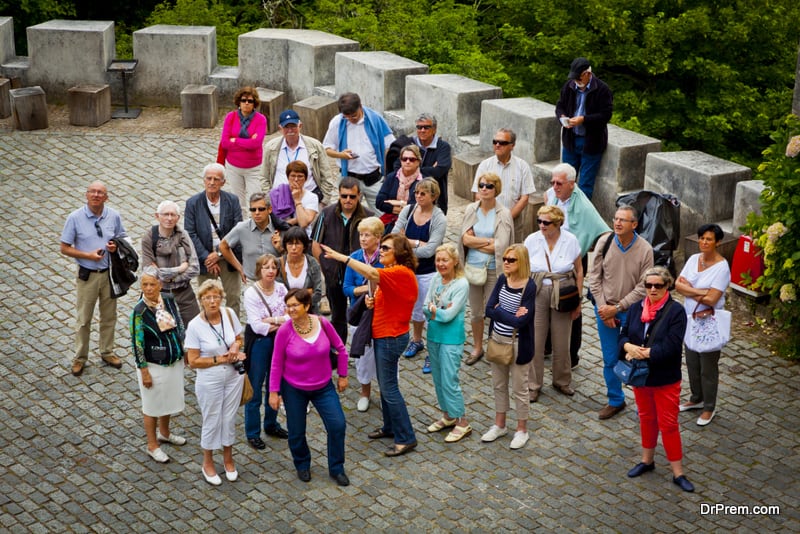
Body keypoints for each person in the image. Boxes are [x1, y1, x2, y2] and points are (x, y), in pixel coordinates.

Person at [321, 234, 419, 457]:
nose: (381, 251)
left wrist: (341, 257)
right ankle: (390, 427)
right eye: (381, 247)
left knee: (389, 388)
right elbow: (385, 296)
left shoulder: (401, 273)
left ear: (400, 253)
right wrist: (370, 301)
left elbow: (371, 272)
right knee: (386, 386)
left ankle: (406, 437)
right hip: (384, 335)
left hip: (390, 338)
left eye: (386, 248)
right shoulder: (393, 273)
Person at [620, 266, 694, 492]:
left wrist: (646, 353)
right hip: (641, 378)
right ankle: (647, 460)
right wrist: (628, 346)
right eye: (648, 285)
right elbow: (623, 334)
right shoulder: (635, 309)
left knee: (669, 424)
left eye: (658, 286)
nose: (652, 289)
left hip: (665, 378)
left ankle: (678, 472)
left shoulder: (676, 312)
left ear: (667, 286)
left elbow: (672, 345)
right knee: (646, 418)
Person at [268, 289, 350, 486]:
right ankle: (302, 463)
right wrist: (273, 392)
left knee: (337, 425)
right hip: (294, 389)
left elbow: (340, 348)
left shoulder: (322, 323)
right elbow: (276, 362)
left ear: (306, 306)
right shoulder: (284, 331)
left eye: (295, 305)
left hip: (323, 387)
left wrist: (343, 375)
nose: (291, 309)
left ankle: (337, 468)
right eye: (288, 306)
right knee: (296, 431)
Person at [589, 205, 653, 420]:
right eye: (615, 218)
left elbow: (644, 287)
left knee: (636, 359)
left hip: (633, 313)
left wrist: (617, 308)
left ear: (634, 225)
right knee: (609, 359)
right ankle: (616, 400)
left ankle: (643, 405)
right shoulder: (604, 242)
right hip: (605, 310)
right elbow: (594, 278)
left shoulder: (645, 250)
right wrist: (602, 309)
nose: (617, 223)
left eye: (623, 220)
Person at [543, 163, 610, 368]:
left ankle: (572, 355)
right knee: (546, 301)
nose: (555, 186)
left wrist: (589, 253)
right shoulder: (552, 193)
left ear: (572, 184)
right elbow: (546, 200)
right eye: (553, 182)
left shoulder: (583, 207)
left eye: (559, 183)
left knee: (571, 304)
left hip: (573, 259)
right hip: (551, 255)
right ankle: (546, 346)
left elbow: (603, 232)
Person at [60, 181, 128, 376]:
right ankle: (80, 357)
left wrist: (115, 246)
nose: (96, 195)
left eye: (100, 193)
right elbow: (64, 248)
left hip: (108, 274)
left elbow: (122, 237)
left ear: (106, 197)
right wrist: (88, 256)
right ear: (86, 195)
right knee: (84, 319)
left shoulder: (113, 216)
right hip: (87, 276)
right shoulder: (75, 218)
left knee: (109, 316)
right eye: (93, 192)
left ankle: (107, 352)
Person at [185, 280, 247, 486]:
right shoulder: (195, 326)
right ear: (201, 300)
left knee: (229, 417)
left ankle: (228, 459)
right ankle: (207, 462)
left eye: (216, 297)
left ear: (221, 298)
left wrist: (236, 347)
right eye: (208, 298)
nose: (212, 301)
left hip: (233, 376)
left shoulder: (228, 314)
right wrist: (220, 359)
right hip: (209, 378)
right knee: (212, 418)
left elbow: (239, 338)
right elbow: (192, 361)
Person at [481, 245, 537, 450]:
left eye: (511, 260)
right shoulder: (502, 280)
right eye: (505, 258)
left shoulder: (529, 286)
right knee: (498, 384)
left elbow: (522, 323)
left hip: (518, 345)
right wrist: (510, 315)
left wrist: (501, 312)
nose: (506, 262)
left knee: (519, 389)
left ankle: (522, 429)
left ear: (521, 262)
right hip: (498, 340)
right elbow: (488, 308)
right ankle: (500, 424)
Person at [524, 205, 583, 401]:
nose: (542, 225)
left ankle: (562, 381)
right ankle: (533, 384)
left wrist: (579, 299)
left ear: (558, 223)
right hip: (538, 289)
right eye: (539, 221)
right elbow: (522, 269)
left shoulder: (570, 240)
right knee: (536, 339)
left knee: (562, 340)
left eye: (546, 222)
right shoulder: (532, 240)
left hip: (563, 290)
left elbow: (579, 271)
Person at [675, 223, 731, 426]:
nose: (704, 242)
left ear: (717, 242)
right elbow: (677, 285)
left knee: (708, 366)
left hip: (709, 321)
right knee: (692, 362)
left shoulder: (722, 267)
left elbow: (712, 299)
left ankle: (709, 406)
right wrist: (701, 291)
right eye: (701, 238)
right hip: (690, 318)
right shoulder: (692, 259)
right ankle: (696, 398)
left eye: (708, 239)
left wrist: (691, 289)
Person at [130, 266, 187, 464]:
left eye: (152, 284)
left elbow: (179, 324)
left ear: (159, 285)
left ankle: (165, 433)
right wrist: (144, 370)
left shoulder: (169, 300)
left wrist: (184, 350)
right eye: (144, 284)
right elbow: (137, 343)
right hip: (153, 365)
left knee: (168, 400)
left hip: (173, 361)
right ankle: (152, 445)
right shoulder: (139, 311)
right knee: (152, 405)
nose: (148, 288)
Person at [459, 172, 514, 365]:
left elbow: (501, 246)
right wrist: (488, 241)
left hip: (493, 270)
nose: (484, 189)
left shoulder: (503, 214)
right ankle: (477, 347)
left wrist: (477, 242)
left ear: (496, 190)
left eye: (489, 186)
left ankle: (494, 347)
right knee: (475, 312)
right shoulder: (471, 209)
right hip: (472, 268)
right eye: (481, 185)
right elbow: (465, 239)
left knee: (493, 311)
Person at [311, 177, 373, 345]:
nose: (347, 200)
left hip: (359, 276)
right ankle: (339, 352)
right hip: (334, 276)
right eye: (344, 196)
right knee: (337, 315)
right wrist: (326, 267)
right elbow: (315, 244)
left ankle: (362, 349)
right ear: (338, 195)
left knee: (362, 312)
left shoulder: (369, 217)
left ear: (359, 195)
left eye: (352, 196)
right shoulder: (327, 214)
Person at [394, 178, 447, 370]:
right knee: (415, 310)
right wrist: (417, 243)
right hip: (408, 271)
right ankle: (416, 340)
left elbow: (430, 250)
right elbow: (394, 237)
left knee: (430, 311)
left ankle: (433, 352)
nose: (418, 196)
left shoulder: (439, 218)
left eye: (423, 193)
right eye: (416, 192)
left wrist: (407, 242)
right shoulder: (408, 211)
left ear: (433, 196)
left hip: (428, 272)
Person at [423, 244, 471, 442]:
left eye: (445, 260)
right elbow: (425, 307)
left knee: (450, 380)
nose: (440, 264)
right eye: (438, 260)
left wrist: (436, 311)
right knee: (438, 378)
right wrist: (436, 311)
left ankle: (462, 422)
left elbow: (450, 315)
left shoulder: (461, 284)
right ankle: (448, 415)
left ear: (455, 262)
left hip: (452, 339)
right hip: (434, 335)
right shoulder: (435, 279)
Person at [242, 254, 289, 450]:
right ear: (259, 270)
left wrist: (273, 321)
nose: (270, 271)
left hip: (279, 340)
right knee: (255, 384)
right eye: (266, 267)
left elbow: (289, 316)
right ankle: (252, 432)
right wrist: (280, 321)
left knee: (275, 383)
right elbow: (256, 325)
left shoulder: (281, 289)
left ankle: (271, 424)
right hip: (260, 342)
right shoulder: (251, 293)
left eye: (273, 267)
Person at [184, 163, 243, 316]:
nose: (212, 182)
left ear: (223, 182)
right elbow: (190, 234)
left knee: (233, 297)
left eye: (216, 179)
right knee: (206, 297)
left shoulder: (232, 201)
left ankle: (232, 329)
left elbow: (237, 231)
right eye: (208, 178)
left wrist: (219, 255)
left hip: (228, 256)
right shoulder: (193, 203)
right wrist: (207, 257)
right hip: (206, 259)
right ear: (203, 180)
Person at [323, 92, 396, 211]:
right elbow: (327, 148)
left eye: (354, 116)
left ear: (360, 107)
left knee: (381, 216)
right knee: (347, 216)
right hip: (349, 177)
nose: (351, 119)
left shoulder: (375, 119)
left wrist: (387, 172)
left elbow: (390, 145)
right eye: (347, 117)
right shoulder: (338, 121)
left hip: (373, 177)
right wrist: (341, 155)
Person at [555, 57, 613, 200]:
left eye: (579, 77)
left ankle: (581, 215)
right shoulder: (569, 86)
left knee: (585, 184)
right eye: (574, 78)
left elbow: (605, 115)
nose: (576, 81)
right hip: (570, 140)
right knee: (564, 179)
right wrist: (562, 117)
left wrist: (584, 120)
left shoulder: (602, 89)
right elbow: (560, 106)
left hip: (591, 142)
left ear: (587, 74)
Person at [343, 216, 384, 412]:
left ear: (378, 237)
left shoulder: (385, 258)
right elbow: (346, 288)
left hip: (382, 314)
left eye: (367, 235)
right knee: (363, 357)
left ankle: (386, 392)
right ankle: (365, 392)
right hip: (360, 313)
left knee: (384, 354)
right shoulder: (355, 257)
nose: (363, 238)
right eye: (361, 235)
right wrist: (363, 289)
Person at [140, 200, 200, 325]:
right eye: (165, 214)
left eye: (173, 215)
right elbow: (149, 271)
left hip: (184, 293)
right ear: (157, 216)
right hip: (159, 296)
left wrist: (171, 278)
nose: (169, 218)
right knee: (164, 333)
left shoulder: (183, 235)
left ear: (178, 218)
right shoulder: (149, 237)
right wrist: (180, 269)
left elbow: (194, 268)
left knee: (195, 328)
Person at [262, 109, 338, 205]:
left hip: (309, 199)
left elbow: (326, 175)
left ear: (300, 126)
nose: (290, 130)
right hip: (280, 200)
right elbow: (264, 177)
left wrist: (323, 202)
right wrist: (270, 200)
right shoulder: (271, 147)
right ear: (280, 128)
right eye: (286, 127)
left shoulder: (315, 146)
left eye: (293, 126)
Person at [471, 128, 535, 240]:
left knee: (511, 255)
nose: (497, 145)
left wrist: (506, 218)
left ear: (512, 145)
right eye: (495, 142)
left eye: (503, 143)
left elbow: (524, 198)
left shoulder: (522, 166)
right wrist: (490, 217)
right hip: (487, 221)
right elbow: (477, 194)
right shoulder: (485, 165)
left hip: (513, 222)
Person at [219, 87, 267, 220]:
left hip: (254, 169)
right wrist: (247, 141)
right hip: (234, 167)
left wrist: (236, 140)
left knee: (255, 201)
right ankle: (241, 229)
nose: (246, 103)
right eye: (243, 100)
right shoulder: (231, 117)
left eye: (250, 101)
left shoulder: (260, 119)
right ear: (238, 102)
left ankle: (256, 227)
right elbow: (225, 143)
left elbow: (256, 143)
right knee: (238, 203)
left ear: (254, 103)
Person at [392, 113, 452, 214]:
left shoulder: (443, 147)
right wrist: (429, 169)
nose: (422, 130)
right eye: (419, 127)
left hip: (435, 201)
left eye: (426, 127)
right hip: (408, 200)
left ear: (434, 129)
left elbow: (439, 171)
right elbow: (397, 168)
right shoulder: (408, 144)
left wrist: (410, 170)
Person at [220, 192, 285, 284]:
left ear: (269, 209)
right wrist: (240, 268)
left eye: (261, 209)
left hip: (276, 282)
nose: (257, 213)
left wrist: (281, 249)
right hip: (252, 282)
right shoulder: (241, 228)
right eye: (253, 209)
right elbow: (223, 246)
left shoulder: (281, 228)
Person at [376, 144, 423, 233]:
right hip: (390, 221)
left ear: (418, 162)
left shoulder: (423, 181)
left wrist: (397, 203)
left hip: (414, 222)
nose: (407, 162)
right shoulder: (392, 177)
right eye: (404, 159)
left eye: (412, 159)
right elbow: (379, 202)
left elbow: (418, 207)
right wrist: (405, 205)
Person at [277, 226, 323, 314]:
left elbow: (318, 293)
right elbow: (279, 293)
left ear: (304, 246)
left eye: (297, 243)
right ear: (285, 245)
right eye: (290, 244)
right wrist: (306, 292)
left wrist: (300, 306)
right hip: (286, 313)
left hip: (309, 312)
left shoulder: (312, 263)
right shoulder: (279, 263)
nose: (293, 248)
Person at [268, 161, 319, 235]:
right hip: (281, 235)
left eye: (300, 176)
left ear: (305, 178)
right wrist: (296, 220)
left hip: (303, 237)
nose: (296, 179)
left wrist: (297, 200)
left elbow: (304, 223)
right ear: (288, 177)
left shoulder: (312, 197)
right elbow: (273, 221)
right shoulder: (277, 193)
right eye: (293, 176)